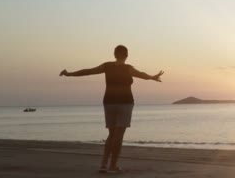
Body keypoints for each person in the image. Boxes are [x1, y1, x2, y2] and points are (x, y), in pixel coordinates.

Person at [59, 45, 164, 173]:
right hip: (125, 104)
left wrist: (69, 74)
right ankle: (113, 166)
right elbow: (141, 74)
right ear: (126, 55)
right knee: (118, 136)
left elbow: (88, 71)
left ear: (115, 54)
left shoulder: (107, 66)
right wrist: (152, 77)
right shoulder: (128, 68)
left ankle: (104, 164)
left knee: (111, 135)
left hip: (109, 103)